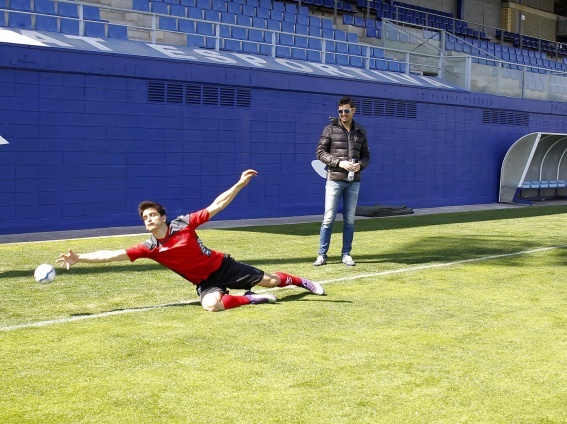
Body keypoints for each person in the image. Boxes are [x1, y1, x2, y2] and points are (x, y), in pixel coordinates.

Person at [56, 169, 325, 312]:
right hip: (206, 282)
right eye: (145, 218)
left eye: (152, 215)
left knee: (274, 281)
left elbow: (217, 205)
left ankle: (302, 282)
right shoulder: (150, 248)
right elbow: (111, 255)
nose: (148, 220)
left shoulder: (184, 223)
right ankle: (252, 300)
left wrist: (239, 184)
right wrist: (79, 258)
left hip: (223, 267)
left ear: (163, 217)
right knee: (210, 306)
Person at [314, 96, 371, 267]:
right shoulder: (330, 129)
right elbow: (320, 152)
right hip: (334, 179)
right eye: (340, 111)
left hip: (354, 182)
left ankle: (346, 254)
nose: (343, 114)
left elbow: (366, 156)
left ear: (353, 110)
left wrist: (360, 165)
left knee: (350, 220)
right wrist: (339, 162)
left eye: (347, 111)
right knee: (328, 218)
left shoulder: (361, 132)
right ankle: (322, 255)